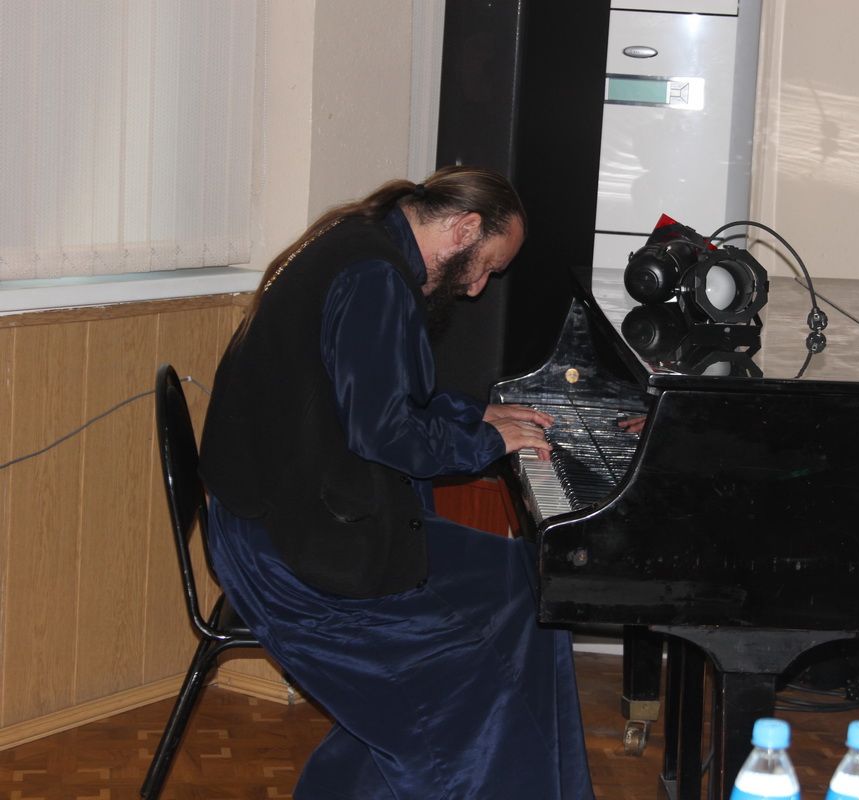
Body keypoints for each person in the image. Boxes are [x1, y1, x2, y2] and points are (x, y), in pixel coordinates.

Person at [199, 166, 595, 798]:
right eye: (486, 266)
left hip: (317, 512)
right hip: (292, 549)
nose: (477, 288)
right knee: (470, 689)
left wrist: (477, 415)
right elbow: (385, 434)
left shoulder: (364, 243)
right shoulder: (374, 277)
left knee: (534, 585)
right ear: (464, 228)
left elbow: (380, 398)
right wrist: (488, 443)